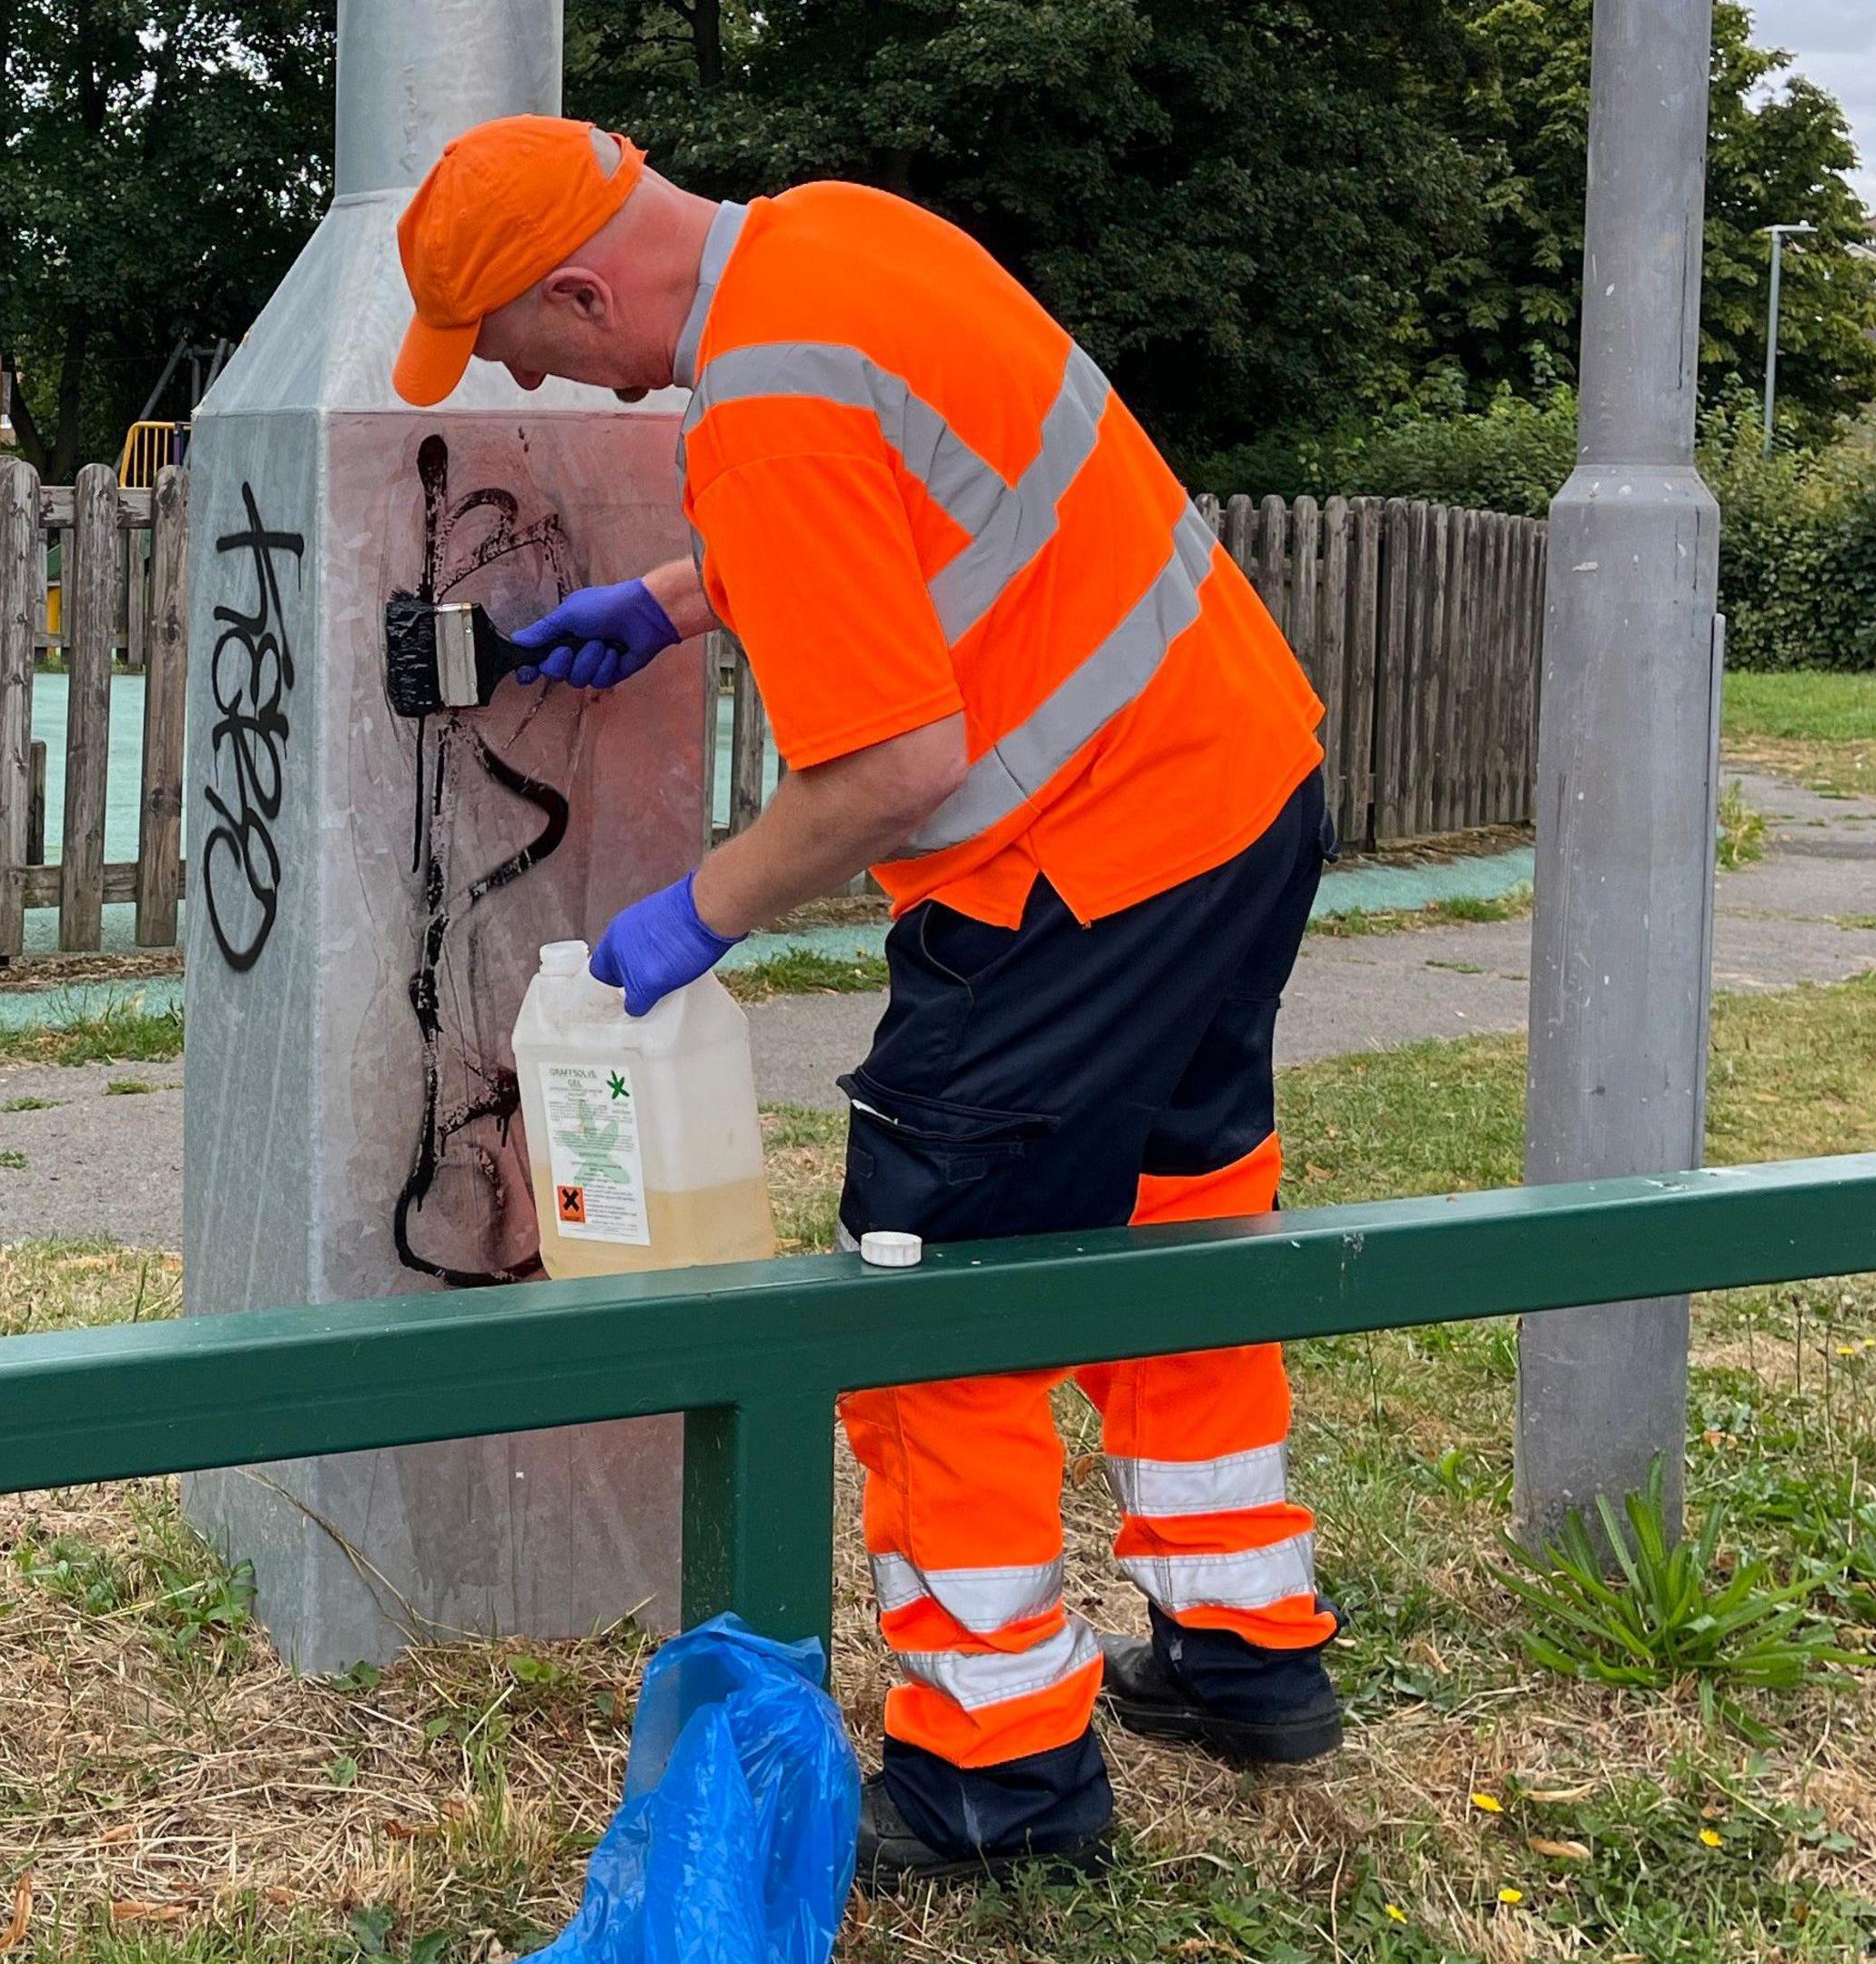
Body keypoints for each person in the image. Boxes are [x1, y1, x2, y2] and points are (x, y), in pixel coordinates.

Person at [391, 116, 1341, 1888]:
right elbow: (916, 512)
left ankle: (996, 1786)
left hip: (1082, 871)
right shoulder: (838, 240)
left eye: (540, 350)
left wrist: (693, 917)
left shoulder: (763, 405)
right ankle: (1244, 1648)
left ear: (589, 285)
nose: (564, 389)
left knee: (926, 1301)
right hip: (1240, 782)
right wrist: (681, 603)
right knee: (1181, 1223)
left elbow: (893, 763)